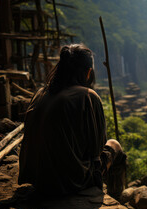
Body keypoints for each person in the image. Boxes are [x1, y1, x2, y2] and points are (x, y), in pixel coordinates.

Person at [18, 44, 125, 196]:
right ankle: (115, 196)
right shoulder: (87, 96)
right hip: (69, 184)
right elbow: (97, 150)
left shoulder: (41, 93)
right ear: (88, 72)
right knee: (114, 145)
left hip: (37, 180)